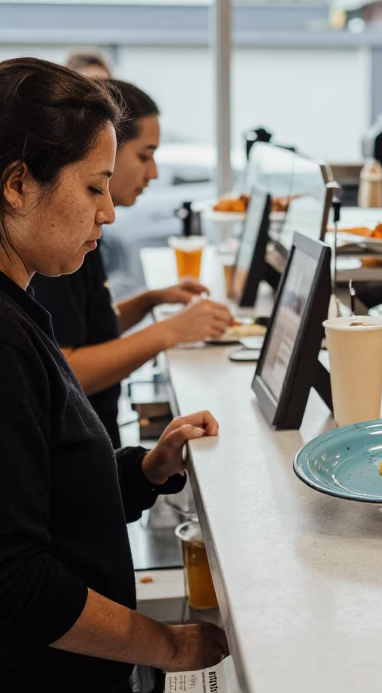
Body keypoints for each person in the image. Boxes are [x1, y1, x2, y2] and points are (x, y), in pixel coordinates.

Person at [0, 58, 229, 693]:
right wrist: (165, 647)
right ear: (18, 185)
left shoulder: (22, 301)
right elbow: (16, 580)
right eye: (93, 187)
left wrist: (146, 470)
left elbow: (46, 490)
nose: (108, 212)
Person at [32, 80, 233, 447]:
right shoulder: (55, 247)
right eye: (145, 155)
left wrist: (146, 302)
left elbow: (84, 329)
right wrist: (168, 332)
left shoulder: (80, 236)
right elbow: (62, 368)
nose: (153, 173)